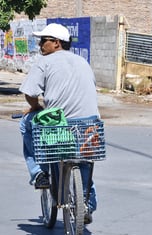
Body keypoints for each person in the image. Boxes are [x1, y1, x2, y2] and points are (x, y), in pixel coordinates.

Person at [19, 23, 100, 223]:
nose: (40, 44)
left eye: (43, 40)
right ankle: (87, 205)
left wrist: (36, 107)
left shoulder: (44, 62)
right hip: (89, 124)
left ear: (56, 43)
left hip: (59, 125)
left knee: (25, 124)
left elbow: (30, 93)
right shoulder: (83, 61)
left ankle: (38, 173)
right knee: (84, 160)